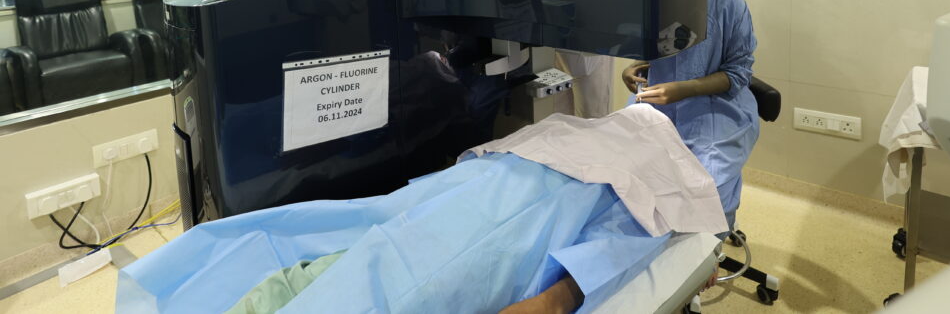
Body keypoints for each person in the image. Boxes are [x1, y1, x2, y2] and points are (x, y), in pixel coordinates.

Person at [115, 107, 727, 314]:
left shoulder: (656, 182)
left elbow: (605, 258)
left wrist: (552, 301)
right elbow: (481, 158)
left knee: (385, 281)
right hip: (457, 196)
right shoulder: (568, 129)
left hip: (491, 236)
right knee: (342, 240)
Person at [621, 0, 758, 231]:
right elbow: (656, 51)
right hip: (655, 107)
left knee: (705, 190)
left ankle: (706, 251)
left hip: (714, 113)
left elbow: (738, 72)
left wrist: (685, 88)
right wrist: (631, 69)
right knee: (630, 177)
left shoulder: (727, 0)